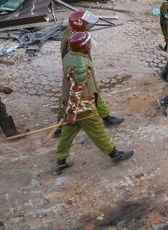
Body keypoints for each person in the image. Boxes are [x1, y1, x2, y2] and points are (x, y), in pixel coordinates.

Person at [55, 32, 133, 173]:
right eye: (88, 44)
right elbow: (76, 90)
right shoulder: (80, 64)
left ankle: (61, 160)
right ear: (82, 47)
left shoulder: (69, 56)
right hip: (82, 107)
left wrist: (68, 111)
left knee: (67, 133)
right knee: (98, 131)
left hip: (71, 105)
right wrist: (72, 112)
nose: (90, 45)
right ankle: (114, 154)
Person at [57, 10, 123, 129]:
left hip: (81, 71)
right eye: (87, 23)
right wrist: (81, 72)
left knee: (94, 93)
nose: (90, 25)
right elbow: (73, 60)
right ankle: (60, 126)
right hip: (77, 74)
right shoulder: (73, 39)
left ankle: (106, 117)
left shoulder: (72, 34)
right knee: (69, 99)